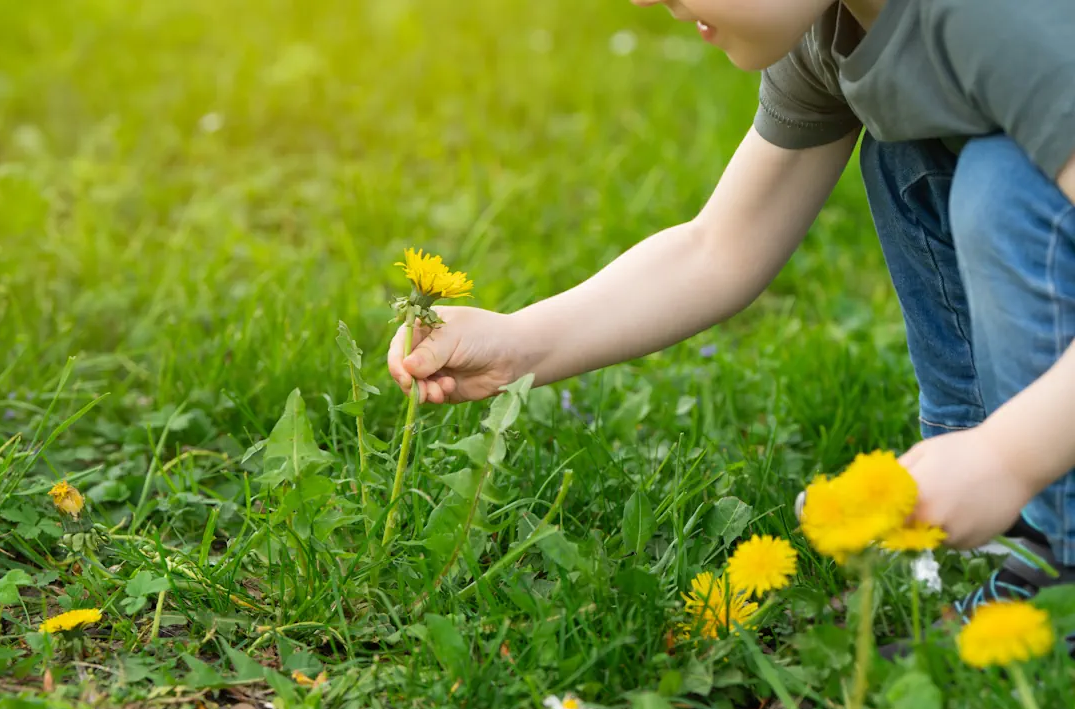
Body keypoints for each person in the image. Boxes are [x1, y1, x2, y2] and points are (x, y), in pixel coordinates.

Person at [386, 0, 1075, 626]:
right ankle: (1001, 525)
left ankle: (1057, 557)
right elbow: (719, 248)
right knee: (906, 150)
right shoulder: (838, 26)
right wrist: (521, 344)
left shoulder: (997, 16)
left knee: (999, 185)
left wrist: (1008, 456)